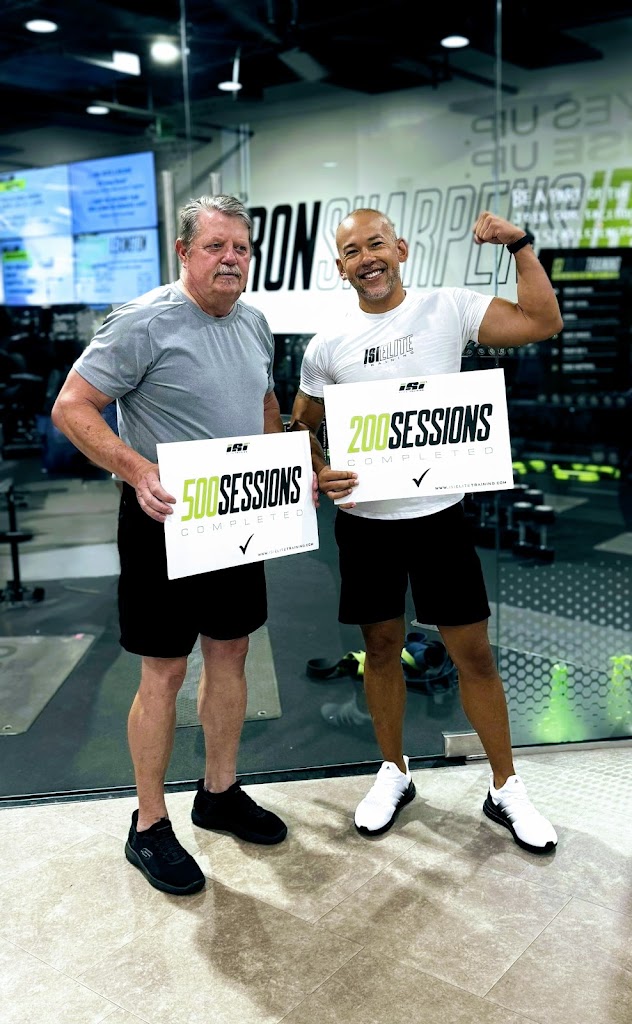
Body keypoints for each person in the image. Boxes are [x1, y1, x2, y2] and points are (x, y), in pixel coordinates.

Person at [289, 208, 563, 854]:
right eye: (352, 251)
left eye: (376, 244)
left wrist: (520, 245)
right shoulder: (327, 346)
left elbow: (542, 320)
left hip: (440, 519)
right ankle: (394, 771)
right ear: (341, 268)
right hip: (367, 526)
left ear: (401, 248)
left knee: (475, 656)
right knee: (381, 650)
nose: (367, 258)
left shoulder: (449, 308)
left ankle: (506, 786)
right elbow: (300, 424)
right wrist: (319, 467)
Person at [51, 194, 291, 896]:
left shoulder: (253, 322)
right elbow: (71, 405)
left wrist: (282, 466)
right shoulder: (144, 321)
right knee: (163, 671)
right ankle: (149, 824)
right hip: (162, 520)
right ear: (184, 252)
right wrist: (137, 470)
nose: (231, 259)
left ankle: (218, 793)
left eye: (240, 248)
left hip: (238, 514)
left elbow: (264, 401)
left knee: (232, 651)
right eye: (216, 246)